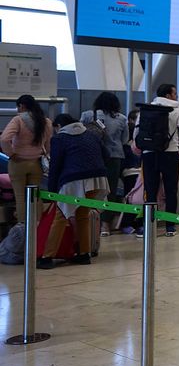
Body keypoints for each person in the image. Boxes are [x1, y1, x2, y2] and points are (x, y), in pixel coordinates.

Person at [40, 113, 109, 268]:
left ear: (58, 126)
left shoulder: (60, 139)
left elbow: (55, 166)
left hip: (74, 180)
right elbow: (107, 154)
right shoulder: (91, 134)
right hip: (98, 178)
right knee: (83, 215)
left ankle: (47, 257)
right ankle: (84, 254)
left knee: (61, 216)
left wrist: (53, 192)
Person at [133, 83, 179, 236]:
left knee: (150, 191)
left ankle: (148, 227)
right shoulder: (177, 111)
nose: (176, 96)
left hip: (149, 154)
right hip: (170, 154)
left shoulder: (145, 109)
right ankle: (170, 227)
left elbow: (137, 132)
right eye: (174, 94)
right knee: (171, 191)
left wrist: (142, 148)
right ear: (167, 95)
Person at [80, 92, 129, 236]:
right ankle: (106, 225)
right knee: (111, 190)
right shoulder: (122, 119)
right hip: (114, 157)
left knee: (93, 189)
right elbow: (125, 139)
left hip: (93, 156)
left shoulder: (88, 115)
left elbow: (80, 134)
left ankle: (90, 221)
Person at [2, 94, 51, 228]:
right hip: (36, 163)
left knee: (20, 197)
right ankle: (38, 228)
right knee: (35, 196)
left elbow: (4, 139)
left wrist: (11, 154)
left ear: (22, 106)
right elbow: (48, 144)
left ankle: (23, 229)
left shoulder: (18, 120)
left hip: (18, 164)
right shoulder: (46, 121)